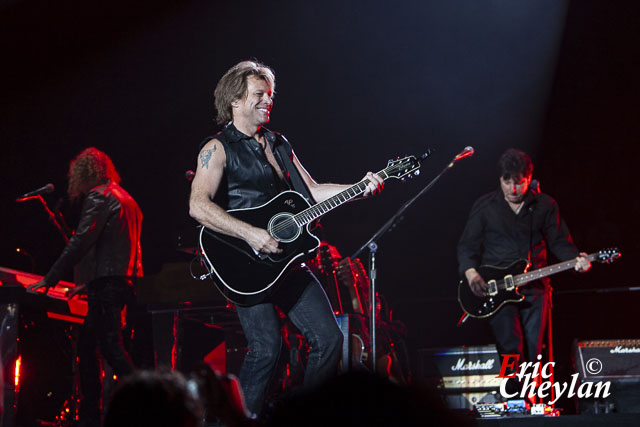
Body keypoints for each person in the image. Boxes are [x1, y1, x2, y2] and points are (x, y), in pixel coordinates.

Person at [188, 60, 384, 416]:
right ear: (235, 99)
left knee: (329, 339)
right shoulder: (216, 149)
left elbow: (311, 191)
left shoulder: (279, 144)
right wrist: (251, 234)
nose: (268, 102)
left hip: (288, 261)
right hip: (245, 263)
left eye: (270, 95)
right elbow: (197, 207)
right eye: (259, 94)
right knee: (267, 348)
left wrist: (359, 189)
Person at [28, 147, 143, 427]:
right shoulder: (127, 199)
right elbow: (122, 249)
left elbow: (81, 242)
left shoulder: (99, 196)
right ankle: (93, 414)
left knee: (109, 348)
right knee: (92, 347)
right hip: (121, 283)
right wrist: (90, 283)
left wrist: (50, 278)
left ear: (84, 173)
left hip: (107, 286)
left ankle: (142, 402)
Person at [457, 149, 590, 377]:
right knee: (510, 345)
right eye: (507, 182)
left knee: (534, 350)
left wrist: (577, 260)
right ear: (500, 179)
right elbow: (467, 246)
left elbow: (559, 241)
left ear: (529, 178)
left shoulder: (545, 205)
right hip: (497, 289)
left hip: (535, 288)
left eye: (519, 183)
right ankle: (513, 396)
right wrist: (470, 273)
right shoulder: (485, 206)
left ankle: (534, 398)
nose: (513, 189)